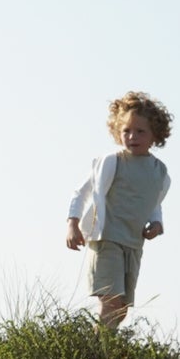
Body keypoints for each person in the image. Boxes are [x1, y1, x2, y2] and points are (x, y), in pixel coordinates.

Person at [66, 91, 172, 328]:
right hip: (107, 240)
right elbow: (82, 192)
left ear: (155, 134)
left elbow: (154, 203)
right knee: (111, 302)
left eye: (140, 131)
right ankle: (98, 357)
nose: (132, 136)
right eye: (126, 131)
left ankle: (101, 350)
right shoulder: (113, 162)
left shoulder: (159, 171)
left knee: (121, 309)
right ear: (117, 131)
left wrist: (157, 224)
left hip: (133, 245)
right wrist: (72, 224)